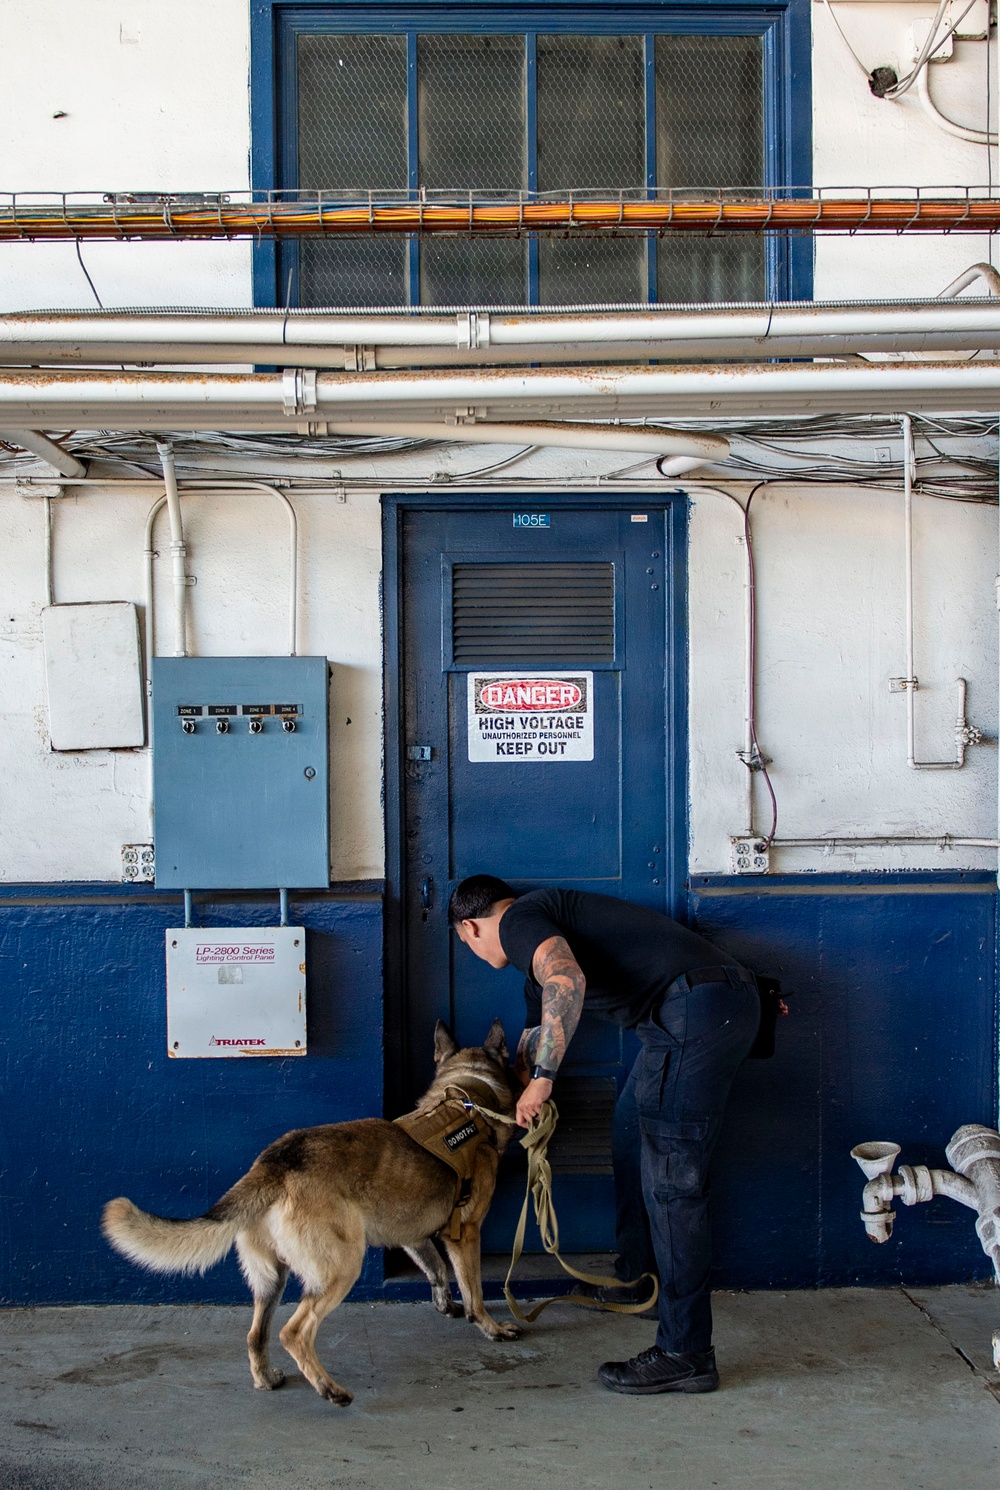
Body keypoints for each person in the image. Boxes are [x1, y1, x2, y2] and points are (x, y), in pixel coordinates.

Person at [449, 873, 760, 1396]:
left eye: (468, 945)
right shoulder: (533, 966)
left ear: (470, 926)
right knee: (629, 1134)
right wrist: (519, 1103)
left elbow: (566, 980)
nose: (475, 953)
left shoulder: (522, 918)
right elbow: (532, 1042)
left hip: (695, 1009)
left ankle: (686, 1352)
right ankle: (638, 1280)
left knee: (672, 1184)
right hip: (696, 1010)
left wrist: (545, 1079)